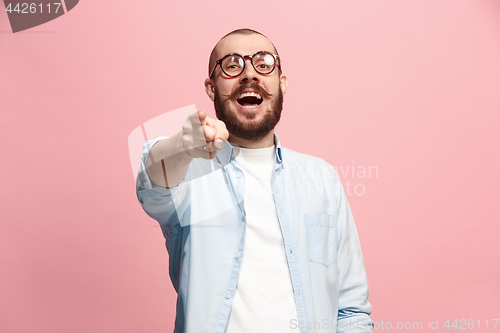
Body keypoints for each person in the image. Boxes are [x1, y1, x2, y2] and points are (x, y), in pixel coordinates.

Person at [136, 28, 373, 333]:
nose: (249, 74)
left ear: (281, 83)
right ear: (211, 87)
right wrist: (182, 147)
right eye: (232, 65)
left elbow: (351, 308)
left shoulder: (321, 177)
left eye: (264, 64)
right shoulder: (189, 171)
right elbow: (152, 183)